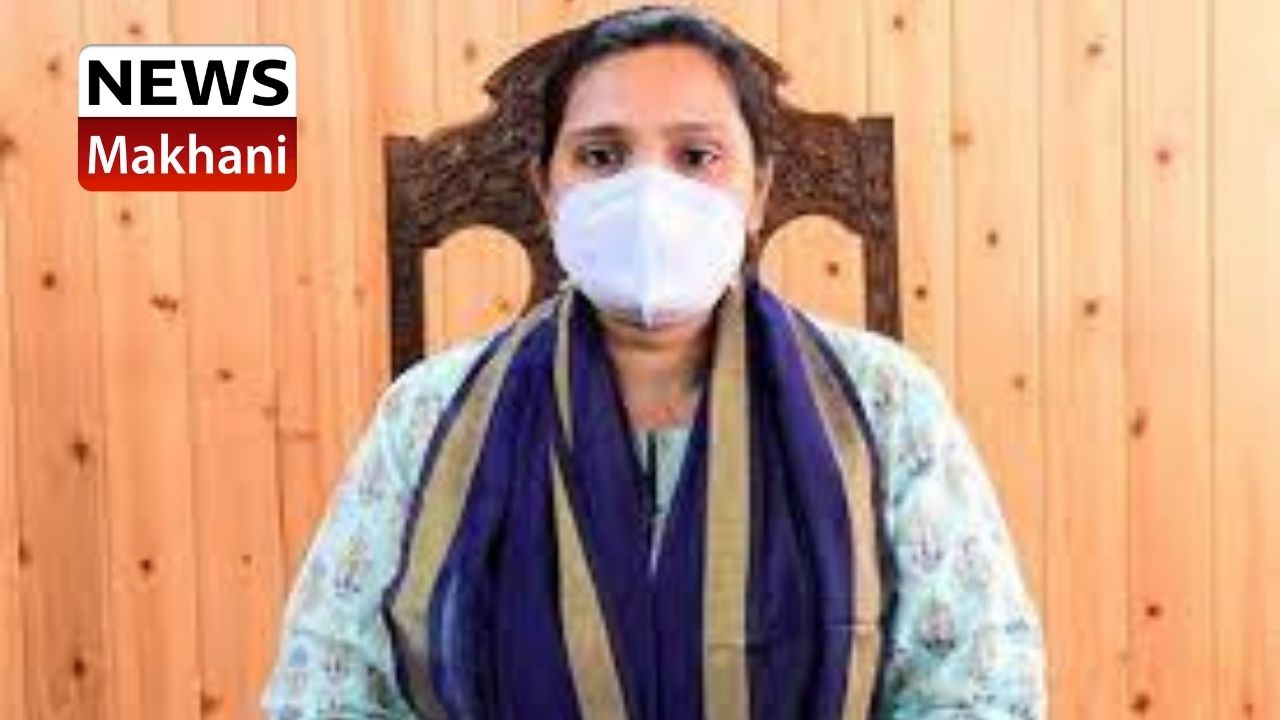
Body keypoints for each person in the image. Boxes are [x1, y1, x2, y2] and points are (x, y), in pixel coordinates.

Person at [261, 5, 1045, 719]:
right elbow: (323, 692)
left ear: (758, 191)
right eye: (601, 156)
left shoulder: (882, 402)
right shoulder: (432, 415)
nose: (648, 193)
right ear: (547, 190)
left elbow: (982, 689)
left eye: (696, 155)